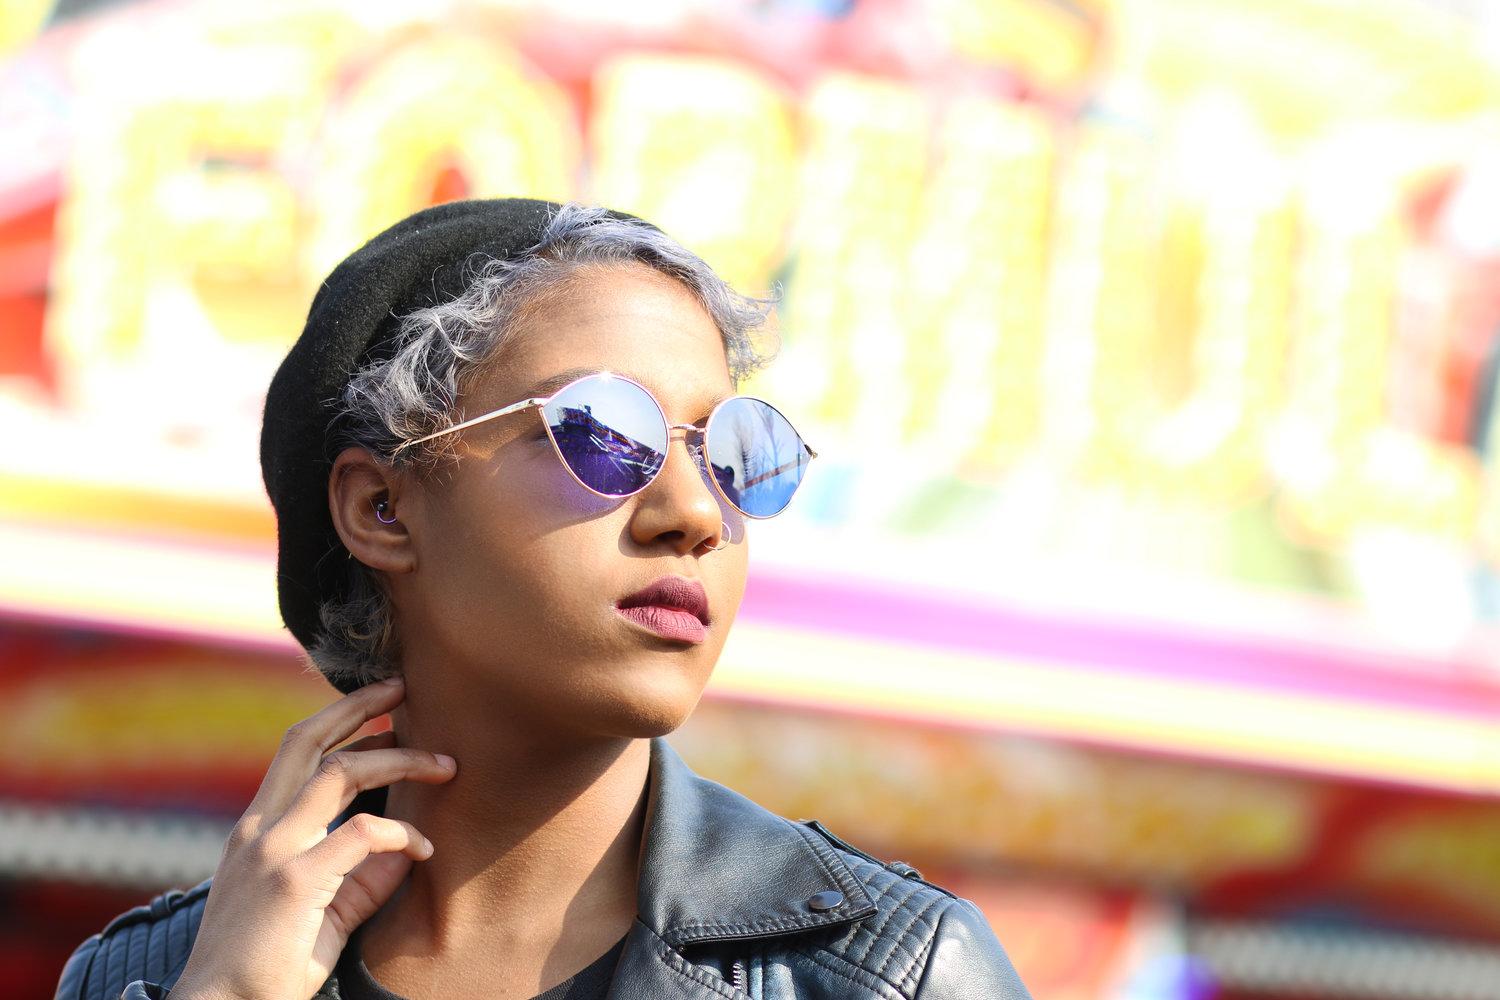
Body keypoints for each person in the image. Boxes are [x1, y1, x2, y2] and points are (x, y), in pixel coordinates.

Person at [54, 197, 1032, 1000]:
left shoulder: (892, 975)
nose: (693, 512)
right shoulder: (141, 977)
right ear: (383, 506)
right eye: (604, 432)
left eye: (736, 453)